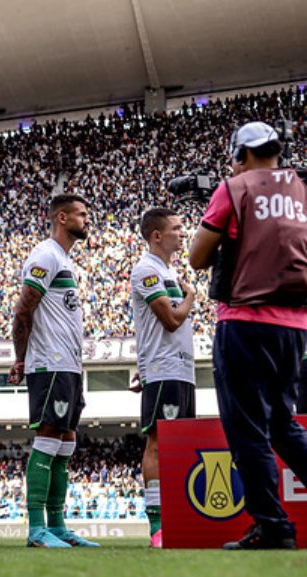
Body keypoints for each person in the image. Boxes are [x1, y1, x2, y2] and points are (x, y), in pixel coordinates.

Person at [188, 121, 307, 550]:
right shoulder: (300, 190)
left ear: (240, 154)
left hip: (244, 321)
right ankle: (273, 523)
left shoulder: (233, 189)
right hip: (294, 327)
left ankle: (273, 526)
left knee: (248, 431)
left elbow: (197, 257)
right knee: (282, 424)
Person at [8, 194, 99, 548]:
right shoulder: (45, 255)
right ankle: (36, 528)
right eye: (81, 214)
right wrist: (20, 357)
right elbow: (23, 310)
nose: (87, 220)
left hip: (69, 365)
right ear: (62, 218)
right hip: (49, 362)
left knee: (66, 442)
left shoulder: (65, 260)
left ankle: (58, 525)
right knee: (48, 438)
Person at [129, 208, 197, 549]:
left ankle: (178, 520)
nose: (182, 233)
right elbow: (171, 320)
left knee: (180, 447)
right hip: (164, 370)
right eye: (176, 227)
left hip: (182, 370)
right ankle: (157, 526)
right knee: (158, 443)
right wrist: (190, 299)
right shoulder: (147, 270)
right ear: (157, 235)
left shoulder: (168, 271)